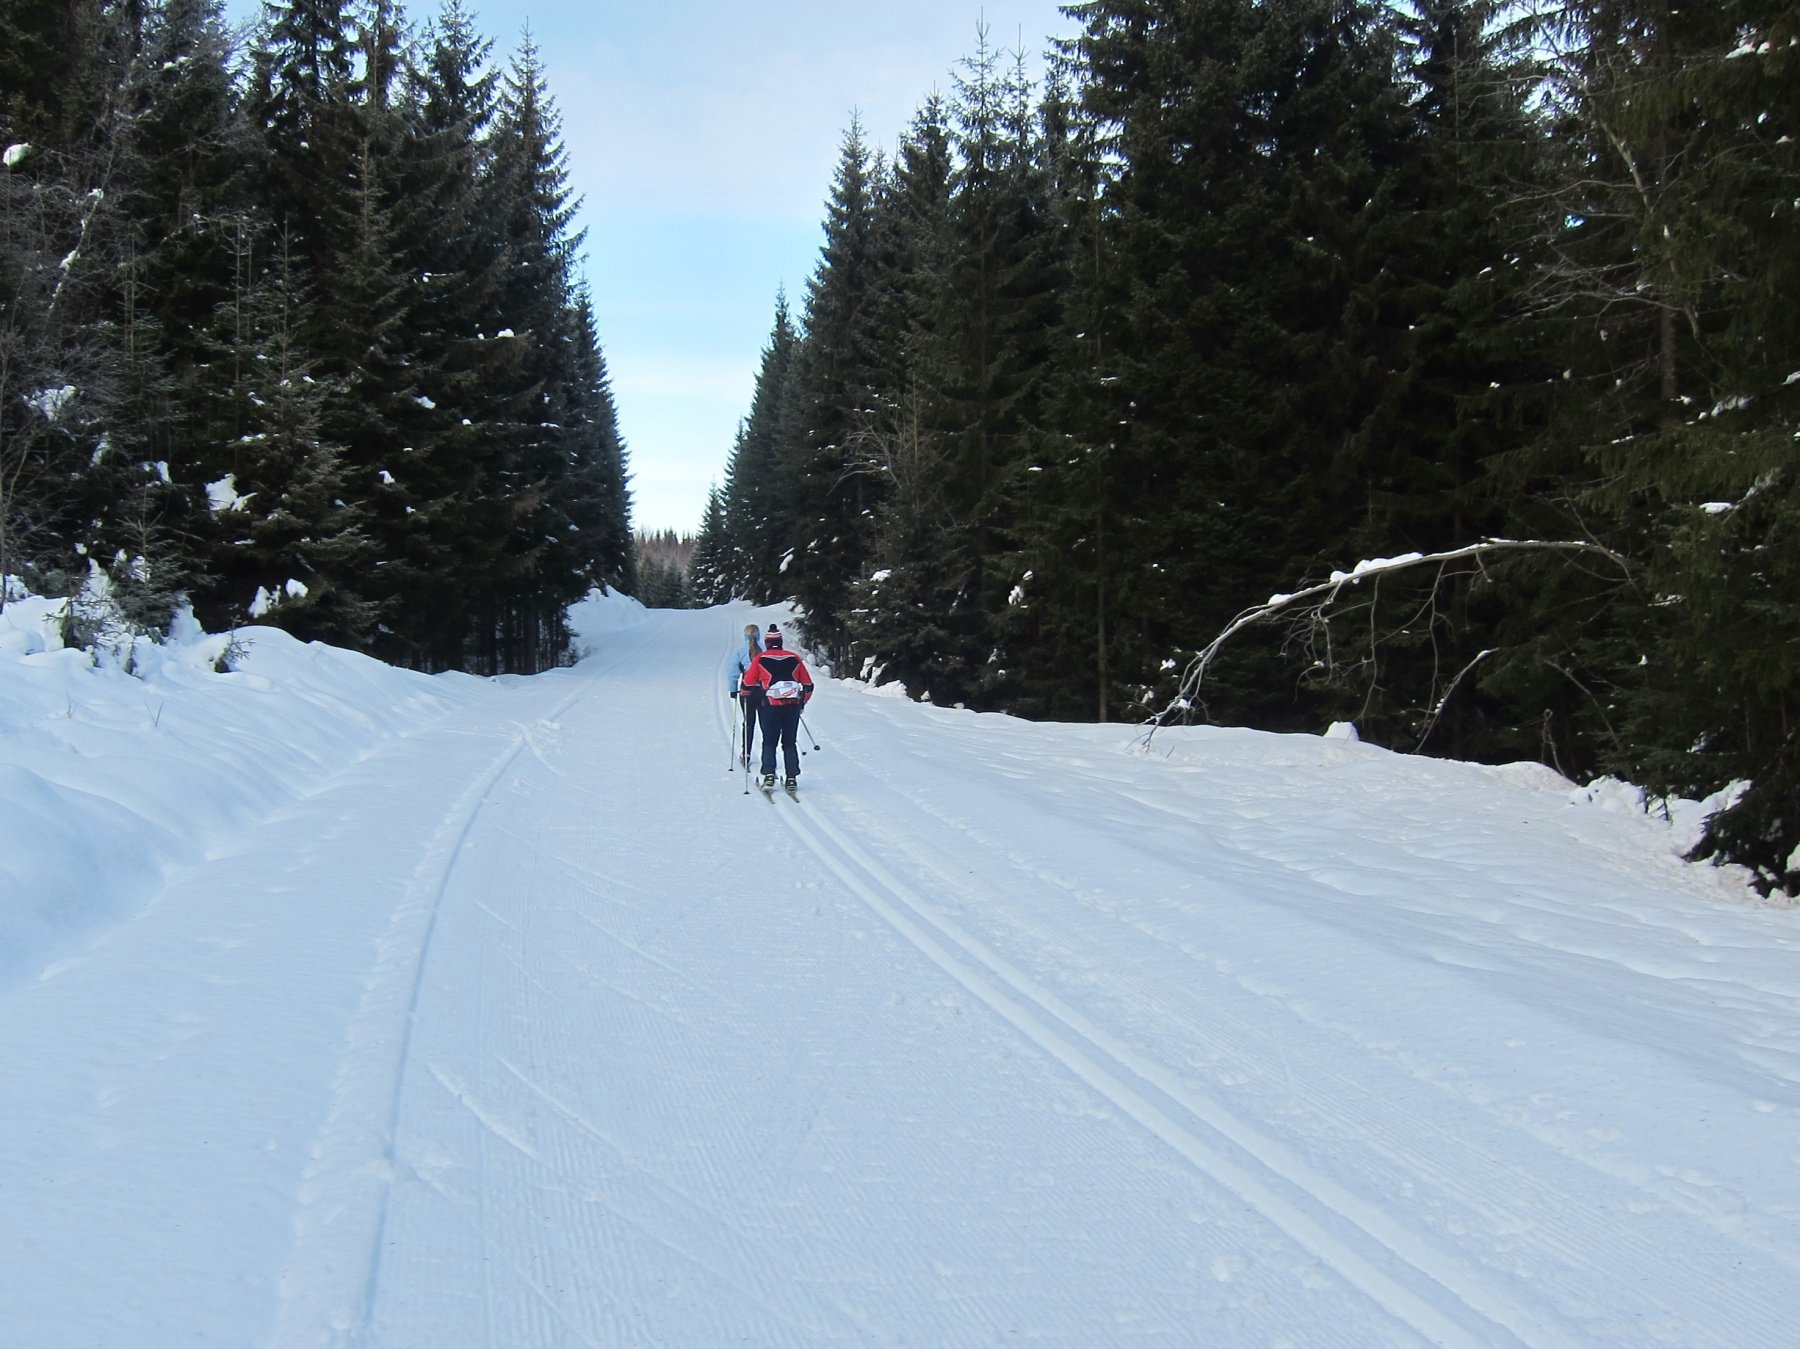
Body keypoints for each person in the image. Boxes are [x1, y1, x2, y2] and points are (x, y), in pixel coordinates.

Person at [740, 623, 813, 790]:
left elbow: (748, 684)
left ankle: (769, 775)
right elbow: (808, 685)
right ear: (780, 642)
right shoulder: (794, 658)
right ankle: (792, 778)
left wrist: (745, 694)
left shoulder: (761, 659)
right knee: (789, 743)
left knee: (769, 742)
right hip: (792, 707)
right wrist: (802, 703)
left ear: (766, 643)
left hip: (771, 707)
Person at [728, 622, 762, 767]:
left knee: (749, 722)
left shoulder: (740, 651)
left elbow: (733, 672)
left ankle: (746, 753)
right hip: (764, 691)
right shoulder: (765, 650)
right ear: (758, 636)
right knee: (766, 722)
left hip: (747, 691)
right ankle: (769, 755)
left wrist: (733, 689)